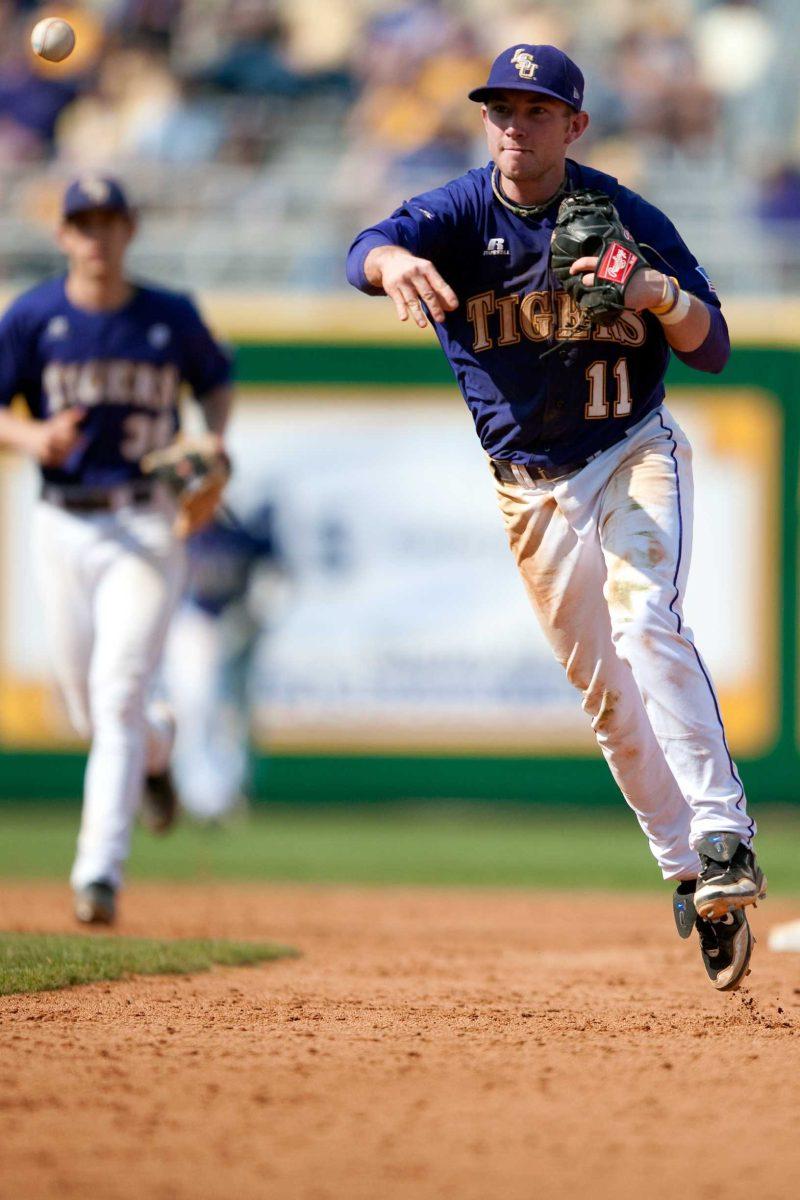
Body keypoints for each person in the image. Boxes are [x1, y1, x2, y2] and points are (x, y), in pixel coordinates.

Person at [347, 44, 765, 991]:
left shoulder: (622, 213)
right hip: (529, 486)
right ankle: (692, 877)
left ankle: (726, 836)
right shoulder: (459, 212)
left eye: (535, 110)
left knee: (645, 618)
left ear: (574, 125)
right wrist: (394, 258)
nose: (512, 124)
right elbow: (362, 250)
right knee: (610, 705)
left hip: (630, 452)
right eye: (500, 107)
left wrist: (656, 293)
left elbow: (716, 346)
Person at [0, 176, 233, 925]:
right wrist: (33, 435)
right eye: (82, 224)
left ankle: (97, 872)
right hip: (62, 524)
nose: (96, 237)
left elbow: (217, 382)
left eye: (109, 223)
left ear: (129, 231)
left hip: (146, 520)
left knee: (118, 689)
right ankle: (156, 753)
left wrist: (211, 438)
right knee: (88, 710)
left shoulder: (169, 316)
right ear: (64, 235)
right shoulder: (35, 315)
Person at [162, 503, 287, 823]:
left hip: (235, 627)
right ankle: (196, 795)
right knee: (193, 709)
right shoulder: (182, 534)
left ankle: (227, 794)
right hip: (195, 626)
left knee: (232, 716)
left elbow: (275, 578)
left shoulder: (240, 536)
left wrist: (251, 616)